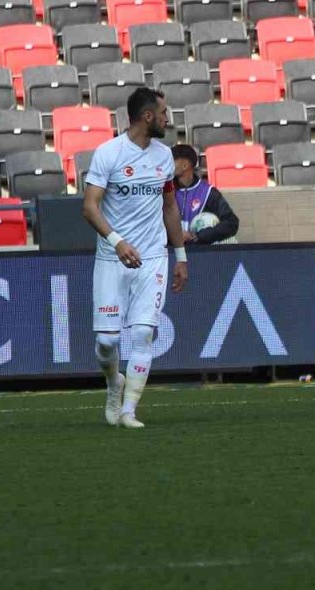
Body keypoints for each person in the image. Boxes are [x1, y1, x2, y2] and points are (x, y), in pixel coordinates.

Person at [81, 88, 185, 429]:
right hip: (113, 258)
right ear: (147, 116)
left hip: (153, 257)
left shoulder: (164, 157)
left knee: (143, 334)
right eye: (164, 113)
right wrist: (117, 242)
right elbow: (89, 207)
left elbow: (170, 207)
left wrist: (181, 255)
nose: (168, 119)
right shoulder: (109, 153)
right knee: (107, 342)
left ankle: (129, 411)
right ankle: (114, 383)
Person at [171, 144, 239, 245]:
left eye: (171, 161)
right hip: (170, 251)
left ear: (185, 166)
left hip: (199, 251)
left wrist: (198, 237)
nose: (166, 164)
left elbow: (232, 223)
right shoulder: (164, 191)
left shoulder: (208, 192)